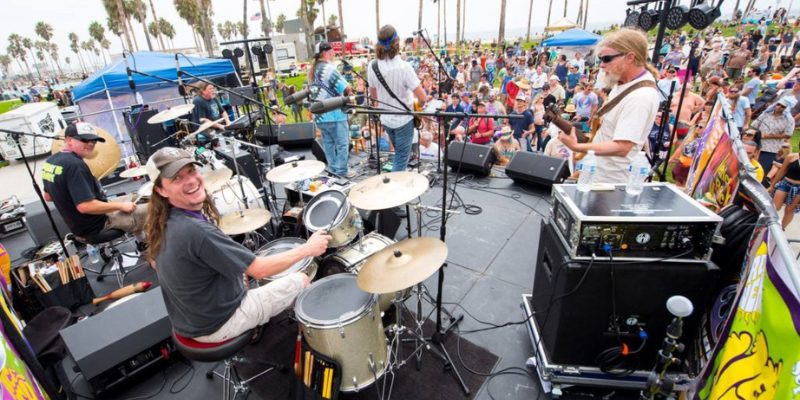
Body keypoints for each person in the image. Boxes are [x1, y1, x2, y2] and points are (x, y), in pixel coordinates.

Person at [145, 147, 331, 342]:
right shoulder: (196, 231)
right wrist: (308, 248)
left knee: (242, 273)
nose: (191, 180)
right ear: (161, 190)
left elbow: (156, 263)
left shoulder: (162, 219)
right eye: (177, 178)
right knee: (301, 278)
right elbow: (259, 271)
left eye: (191, 171)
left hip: (189, 318)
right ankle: (315, 342)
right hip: (217, 323)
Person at [557, 28, 660, 184]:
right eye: (600, 59)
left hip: (612, 182)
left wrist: (577, 147)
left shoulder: (641, 97)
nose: (602, 65)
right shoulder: (623, 83)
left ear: (630, 57)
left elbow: (622, 147)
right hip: (597, 171)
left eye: (606, 59)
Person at [41, 122, 147, 240]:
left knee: (136, 197)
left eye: (93, 140)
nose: (91, 144)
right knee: (158, 208)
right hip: (99, 224)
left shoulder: (51, 161)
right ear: (69, 140)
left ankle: (143, 243)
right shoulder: (75, 165)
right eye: (85, 140)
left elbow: (48, 197)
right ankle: (153, 252)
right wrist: (121, 206)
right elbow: (85, 207)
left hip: (79, 225)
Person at [367, 25, 427, 173]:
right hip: (404, 121)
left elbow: (374, 97)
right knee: (401, 158)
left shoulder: (372, 66)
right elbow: (423, 98)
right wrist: (418, 107)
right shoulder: (404, 67)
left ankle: (398, 181)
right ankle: (394, 189)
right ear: (397, 42)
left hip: (386, 120)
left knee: (399, 154)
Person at [310, 42, 354, 178]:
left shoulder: (314, 70)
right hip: (334, 115)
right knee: (342, 144)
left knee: (328, 144)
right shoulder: (328, 68)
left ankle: (333, 169)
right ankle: (342, 171)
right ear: (325, 53)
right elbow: (346, 89)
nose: (334, 53)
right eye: (332, 51)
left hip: (320, 116)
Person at [752, 95, 797, 184]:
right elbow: (754, 125)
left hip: (772, 148)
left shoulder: (789, 120)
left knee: (762, 168)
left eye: (782, 106)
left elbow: (788, 134)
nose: (779, 107)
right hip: (756, 145)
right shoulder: (766, 114)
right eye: (778, 104)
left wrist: (770, 136)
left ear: (786, 108)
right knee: (751, 166)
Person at [768, 148, 800, 228]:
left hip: (799, 188)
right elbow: (782, 171)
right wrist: (772, 185)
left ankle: (782, 228)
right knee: (775, 207)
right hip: (786, 183)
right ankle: (768, 226)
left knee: (789, 209)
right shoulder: (791, 157)